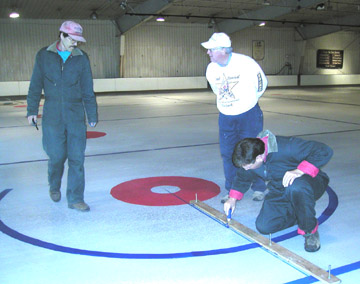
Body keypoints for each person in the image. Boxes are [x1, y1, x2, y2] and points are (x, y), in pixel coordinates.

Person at [27, 21, 98, 212]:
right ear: (62, 35)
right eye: (73, 39)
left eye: (78, 40)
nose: (76, 43)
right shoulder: (44, 55)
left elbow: (87, 88)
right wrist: (32, 110)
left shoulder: (82, 59)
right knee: (57, 156)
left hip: (75, 114)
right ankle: (54, 185)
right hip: (52, 114)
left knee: (77, 158)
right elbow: (35, 85)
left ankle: (75, 198)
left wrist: (92, 113)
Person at [224, 130, 333, 252]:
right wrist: (232, 198)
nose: (246, 169)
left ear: (259, 157)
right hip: (280, 188)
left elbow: (324, 150)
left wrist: (299, 171)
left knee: (296, 187)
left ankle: (309, 230)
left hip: (310, 183)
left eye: (248, 166)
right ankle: (301, 213)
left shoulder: (288, 147)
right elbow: (242, 176)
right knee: (265, 226)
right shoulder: (250, 156)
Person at [201, 32, 268, 204]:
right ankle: (232, 189)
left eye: (211, 49)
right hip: (226, 116)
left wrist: (248, 102)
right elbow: (217, 90)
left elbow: (262, 84)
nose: (208, 53)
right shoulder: (211, 69)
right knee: (227, 153)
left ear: (223, 50)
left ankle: (259, 187)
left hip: (249, 114)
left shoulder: (246, 63)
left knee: (254, 151)